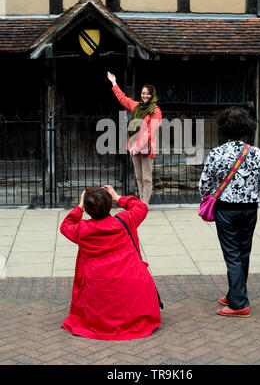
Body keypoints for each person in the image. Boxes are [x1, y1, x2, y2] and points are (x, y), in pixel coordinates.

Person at [199, 106, 260, 318]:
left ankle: (239, 304)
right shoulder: (256, 153)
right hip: (249, 209)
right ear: (246, 128)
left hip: (226, 209)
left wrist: (209, 196)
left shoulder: (216, 153)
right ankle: (235, 293)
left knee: (232, 254)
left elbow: (204, 185)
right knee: (243, 253)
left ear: (224, 129)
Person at [60, 185, 161, 340]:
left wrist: (79, 207)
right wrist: (117, 197)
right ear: (109, 205)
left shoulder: (83, 230)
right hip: (130, 281)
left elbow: (66, 226)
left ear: (88, 209)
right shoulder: (125, 221)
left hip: (99, 285)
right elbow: (141, 207)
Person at [107, 71, 162, 205]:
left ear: (152, 95)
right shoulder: (136, 106)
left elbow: (150, 131)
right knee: (139, 177)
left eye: (148, 93)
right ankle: (142, 201)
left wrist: (138, 146)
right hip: (133, 147)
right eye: (143, 93)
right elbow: (123, 99)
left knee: (147, 177)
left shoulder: (156, 111)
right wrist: (114, 83)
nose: (145, 95)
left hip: (145, 148)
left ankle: (144, 203)